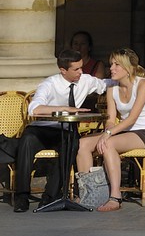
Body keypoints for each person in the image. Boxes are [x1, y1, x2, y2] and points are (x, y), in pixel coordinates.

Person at [13, 48, 109, 211]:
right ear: (63, 70)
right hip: (42, 129)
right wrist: (65, 109)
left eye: (81, 67)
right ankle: (22, 196)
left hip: (64, 130)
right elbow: (34, 109)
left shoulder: (85, 80)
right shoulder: (50, 83)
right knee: (27, 141)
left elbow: (107, 84)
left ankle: (50, 197)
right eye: (76, 69)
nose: (81, 72)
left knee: (72, 143)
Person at [74, 48, 145, 211]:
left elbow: (132, 118)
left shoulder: (143, 84)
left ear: (129, 68)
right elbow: (111, 119)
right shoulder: (112, 87)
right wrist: (107, 131)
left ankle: (115, 196)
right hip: (122, 131)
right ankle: (88, 193)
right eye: (111, 64)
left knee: (109, 144)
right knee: (82, 144)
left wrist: (108, 134)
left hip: (144, 131)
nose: (111, 68)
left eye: (117, 65)